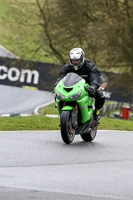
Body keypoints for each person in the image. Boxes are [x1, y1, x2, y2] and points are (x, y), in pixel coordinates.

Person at [55, 48, 105, 124]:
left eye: (77, 60)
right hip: (74, 87)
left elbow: (96, 76)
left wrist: (93, 86)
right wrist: (56, 86)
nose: (75, 62)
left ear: (82, 58)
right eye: (73, 60)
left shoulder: (90, 65)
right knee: (57, 95)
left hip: (88, 87)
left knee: (100, 94)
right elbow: (61, 77)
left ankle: (97, 112)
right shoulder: (67, 67)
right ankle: (63, 117)